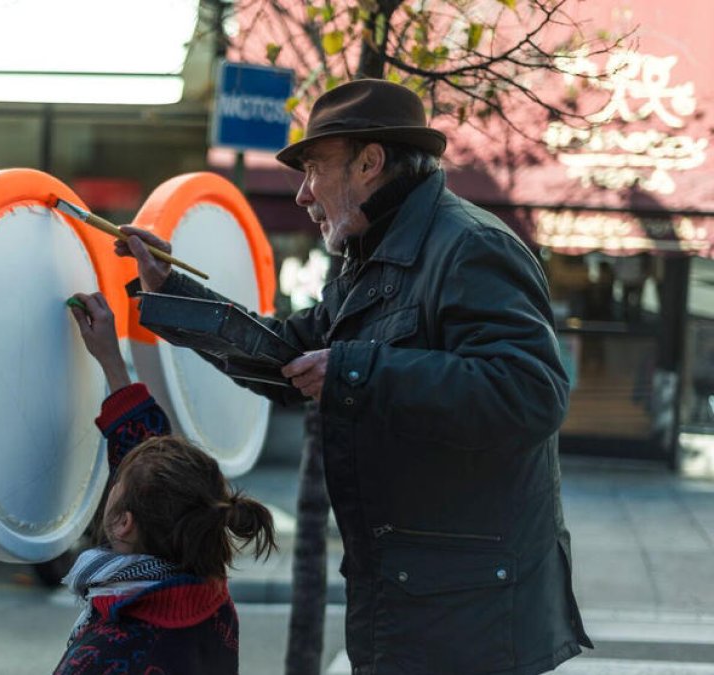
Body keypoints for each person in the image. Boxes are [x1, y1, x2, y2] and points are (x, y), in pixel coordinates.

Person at [114, 79, 592, 675]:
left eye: (315, 170)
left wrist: (359, 371)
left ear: (370, 163)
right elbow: (286, 355)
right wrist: (169, 290)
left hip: (473, 615)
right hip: (410, 593)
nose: (302, 196)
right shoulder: (369, 253)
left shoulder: (471, 246)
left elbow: (529, 393)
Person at [53, 291, 277, 675]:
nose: (118, 469)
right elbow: (152, 470)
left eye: (118, 479)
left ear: (124, 522)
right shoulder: (207, 593)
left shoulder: (108, 653)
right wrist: (111, 360)